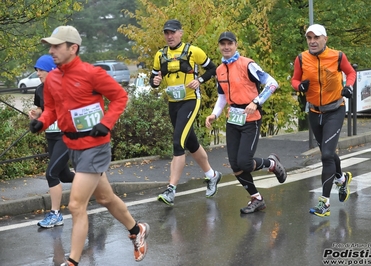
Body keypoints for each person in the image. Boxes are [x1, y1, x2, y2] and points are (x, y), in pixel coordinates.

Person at [29, 25, 149, 265]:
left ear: (73, 48)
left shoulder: (91, 74)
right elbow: (52, 109)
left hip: (95, 147)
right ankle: (137, 230)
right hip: (73, 145)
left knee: (75, 205)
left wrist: (106, 122)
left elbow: (119, 96)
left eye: (56, 46)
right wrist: (41, 122)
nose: (51, 50)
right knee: (105, 198)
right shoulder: (52, 79)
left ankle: (72, 261)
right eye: (50, 46)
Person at [205, 31, 287, 214]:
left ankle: (271, 163)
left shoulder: (247, 64)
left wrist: (256, 102)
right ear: (219, 46)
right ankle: (256, 198)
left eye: (229, 43)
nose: (226, 47)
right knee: (235, 166)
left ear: (235, 45)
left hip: (251, 119)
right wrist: (214, 115)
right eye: (222, 44)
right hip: (233, 119)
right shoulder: (219, 70)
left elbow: (272, 83)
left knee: (245, 162)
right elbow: (222, 97)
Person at [149, 19, 222, 206]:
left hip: (190, 101)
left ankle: (171, 189)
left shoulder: (193, 51)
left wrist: (200, 80)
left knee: (177, 142)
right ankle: (211, 175)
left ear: (180, 33)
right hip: (173, 103)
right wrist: (154, 82)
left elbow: (213, 69)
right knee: (191, 142)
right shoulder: (160, 54)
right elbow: (153, 77)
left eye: (173, 32)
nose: (169, 36)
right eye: (166, 33)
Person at [291, 24, 356, 217]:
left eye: (316, 37)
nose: (312, 41)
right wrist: (299, 87)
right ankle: (342, 178)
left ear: (325, 39)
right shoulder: (301, 58)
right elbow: (294, 80)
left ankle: (325, 203)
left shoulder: (337, 57)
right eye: (309, 38)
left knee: (326, 155)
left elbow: (351, 73)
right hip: (314, 111)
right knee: (327, 151)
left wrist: (349, 87)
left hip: (335, 110)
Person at [28, 54, 75, 228]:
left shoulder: (64, 87)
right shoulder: (40, 89)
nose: (38, 73)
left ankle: (56, 214)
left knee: (51, 174)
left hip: (66, 135)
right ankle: (93, 180)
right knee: (65, 175)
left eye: (41, 70)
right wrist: (36, 115)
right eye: (37, 70)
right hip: (52, 136)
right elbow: (42, 109)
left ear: (52, 70)